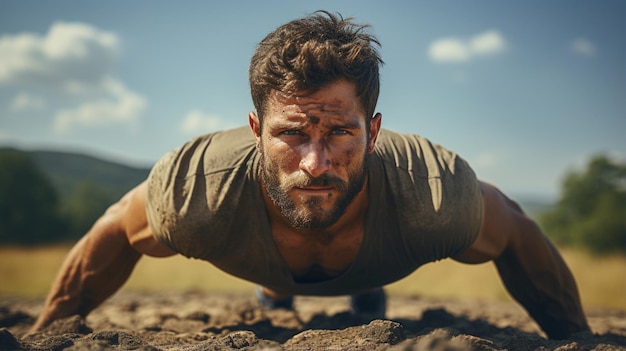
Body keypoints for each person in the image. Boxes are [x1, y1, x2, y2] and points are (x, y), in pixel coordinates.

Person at [31, 11, 590, 339]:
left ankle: (367, 282)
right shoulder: (199, 190)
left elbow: (515, 230)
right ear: (254, 129)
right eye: (291, 133)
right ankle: (275, 286)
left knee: (325, 198)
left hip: (382, 237)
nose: (315, 161)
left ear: (373, 132)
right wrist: (45, 333)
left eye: (341, 134)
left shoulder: (433, 193)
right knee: (303, 209)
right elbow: (114, 231)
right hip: (256, 235)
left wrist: (579, 341)